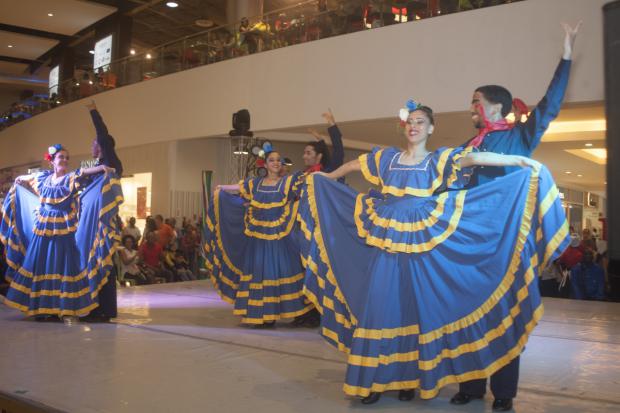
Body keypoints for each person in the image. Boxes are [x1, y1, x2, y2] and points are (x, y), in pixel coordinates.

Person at [296, 102, 569, 405]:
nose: (414, 126)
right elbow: (353, 166)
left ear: (430, 128)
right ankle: (371, 381)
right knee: (381, 306)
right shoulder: (386, 158)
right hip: (387, 243)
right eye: (410, 121)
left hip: (424, 245)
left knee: (417, 309)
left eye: (420, 121)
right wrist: (327, 178)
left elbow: (475, 157)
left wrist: (520, 162)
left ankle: (407, 380)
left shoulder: (438, 159)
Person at [452, 22, 580, 411]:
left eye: (476, 101)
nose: (471, 107)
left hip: (507, 242)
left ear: (495, 106)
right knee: (468, 315)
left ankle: (504, 393)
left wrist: (567, 55)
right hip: (469, 242)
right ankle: (471, 387)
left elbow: (551, 104)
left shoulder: (519, 137)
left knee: (505, 317)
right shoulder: (466, 146)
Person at [0, 144, 122, 319]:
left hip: (64, 231)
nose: (64, 160)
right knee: (41, 266)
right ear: (53, 161)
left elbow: (84, 172)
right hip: (43, 229)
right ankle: (41, 309)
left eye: (66, 157)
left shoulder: (70, 178)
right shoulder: (43, 178)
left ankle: (57, 308)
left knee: (60, 267)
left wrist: (102, 167)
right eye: (60, 157)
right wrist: (20, 177)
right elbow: (28, 177)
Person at [204, 149, 312, 327]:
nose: (276, 163)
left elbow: (310, 183)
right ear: (266, 163)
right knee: (260, 274)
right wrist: (222, 188)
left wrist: (327, 176)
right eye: (272, 160)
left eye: (279, 160)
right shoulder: (255, 183)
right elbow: (239, 188)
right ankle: (263, 316)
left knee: (279, 273)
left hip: (279, 240)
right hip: (258, 241)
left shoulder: (288, 182)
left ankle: (277, 313)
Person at [82, 100, 124, 322]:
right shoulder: (96, 167)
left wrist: (93, 111)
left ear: (102, 145)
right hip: (93, 222)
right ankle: (97, 306)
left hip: (104, 222)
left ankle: (105, 309)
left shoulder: (110, 160)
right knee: (95, 262)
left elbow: (103, 133)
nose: (91, 146)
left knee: (104, 262)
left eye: (94, 143)